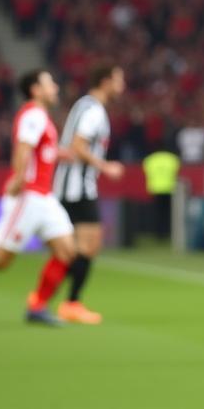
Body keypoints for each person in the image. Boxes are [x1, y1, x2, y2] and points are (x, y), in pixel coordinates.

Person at [0, 69, 76, 325]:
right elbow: (24, 146)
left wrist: (59, 153)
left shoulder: (41, 115)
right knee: (0, 260)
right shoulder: (33, 113)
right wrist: (19, 177)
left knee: (66, 250)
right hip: (29, 196)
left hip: (45, 197)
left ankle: (38, 306)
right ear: (35, 89)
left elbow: (41, 151)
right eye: (49, 83)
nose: (55, 87)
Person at [52, 64, 125, 324]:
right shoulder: (93, 110)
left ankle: (56, 298)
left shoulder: (85, 106)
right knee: (86, 244)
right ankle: (70, 302)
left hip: (71, 185)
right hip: (77, 187)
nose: (122, 86)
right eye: (118, 80)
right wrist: (106, 167)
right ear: (105, 81)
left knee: (75, 247)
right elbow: (78, 146)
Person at [143, 144, 181, 239]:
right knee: (169, 213)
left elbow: (146, 170)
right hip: (169, 188)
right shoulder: (172, 159)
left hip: (155, 188)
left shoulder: (150, 159)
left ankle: (158, 233)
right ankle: (169, 232)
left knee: (158, 213)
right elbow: (177, 170)